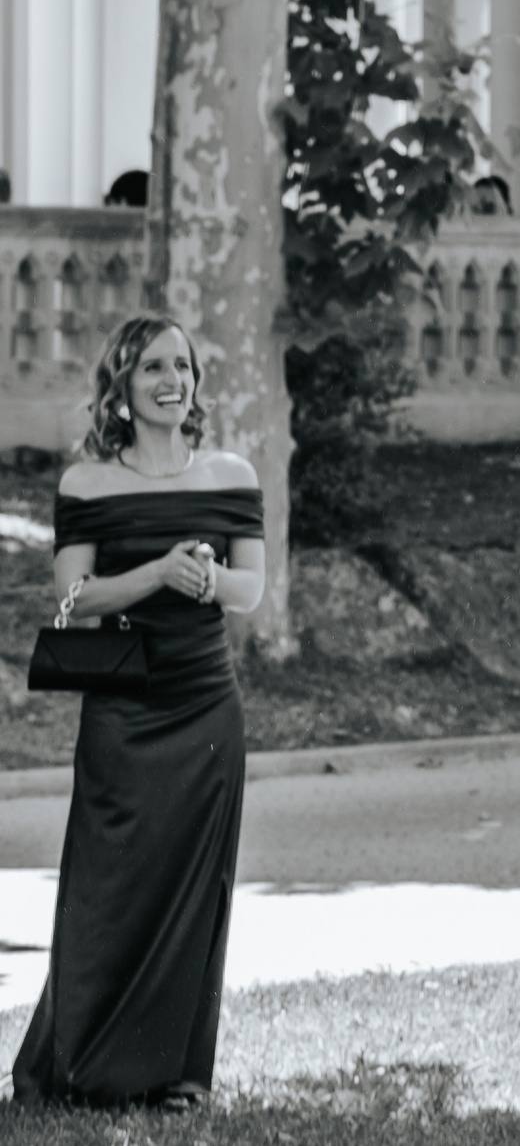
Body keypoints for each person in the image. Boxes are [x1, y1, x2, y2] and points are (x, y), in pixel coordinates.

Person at [10, 316, 266, 1110]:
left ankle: (175, 1076)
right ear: (121, 382)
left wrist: (204, 577)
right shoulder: (88, 483)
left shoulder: (232, 474)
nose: (171, 379)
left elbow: (250, 589)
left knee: (196, 889)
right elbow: (73, 598)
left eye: (182, 366)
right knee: (106, 883)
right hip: (123, 707)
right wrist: (156, 571)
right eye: (153, 365)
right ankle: (82, 1066)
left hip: (205, 704)